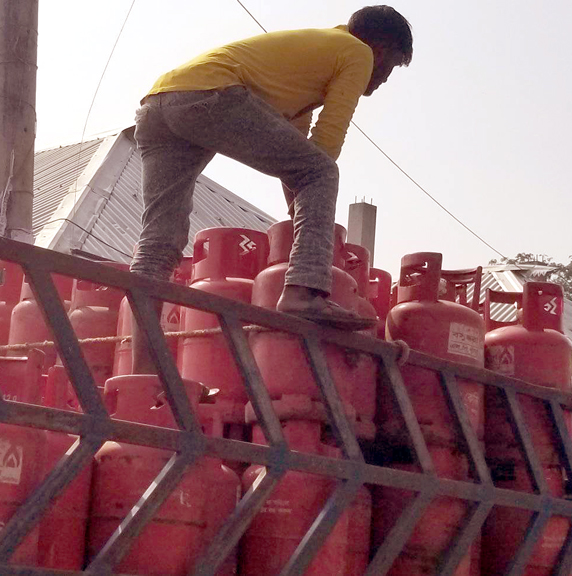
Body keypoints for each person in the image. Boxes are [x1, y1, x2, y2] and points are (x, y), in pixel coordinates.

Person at [129, 5, 413, 373]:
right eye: (390, 64)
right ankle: (303, 292)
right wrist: (313, 264)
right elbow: (326, 145)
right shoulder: (355, 52)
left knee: (158, 245)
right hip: (211, 94)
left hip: (158, 106)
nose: (385, 79)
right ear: (378, 46)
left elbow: (294, 157)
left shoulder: (309, 64)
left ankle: (141, 373)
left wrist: (303, 218)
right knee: (324, 171)